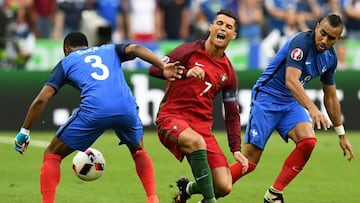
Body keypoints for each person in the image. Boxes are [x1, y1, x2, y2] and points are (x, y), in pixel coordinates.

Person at [13, 31, 183, 203]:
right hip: (126, 107)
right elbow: (136, 48)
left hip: (96, 110)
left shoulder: (66, 62)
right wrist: (162, 65)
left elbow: (43, 98)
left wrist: (25, 130)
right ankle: (152, 198)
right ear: (87, 45)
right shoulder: (108, 50)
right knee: (138, 150)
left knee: (52, 154)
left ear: (66, 49)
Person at [230, 14, 355, 203]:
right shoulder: (301, 43)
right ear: (317, 26)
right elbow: (291, 80)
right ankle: (199, 189)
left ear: (338, 39)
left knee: (308, 141)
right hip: (267, 98)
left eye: (331, 38)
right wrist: (313, 109)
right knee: (250, 161)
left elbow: (330, 96)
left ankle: (273, 195)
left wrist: (341, 134)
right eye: (323, 33)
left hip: (289, 103)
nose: (324, 40)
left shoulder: (331, 58)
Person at [149, 9, 248, 203]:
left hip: (202, 127)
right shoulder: (188, 51)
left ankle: (186, 189)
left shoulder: (228, 72)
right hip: (171, 117)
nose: (222, 28)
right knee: (197, 143)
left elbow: (232, 113)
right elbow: (154, 69)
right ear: (211, 27)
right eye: (219, 23)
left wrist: (236, 148)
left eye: (229, 27)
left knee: (224, 186)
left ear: (233, 35)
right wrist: (185, 72)